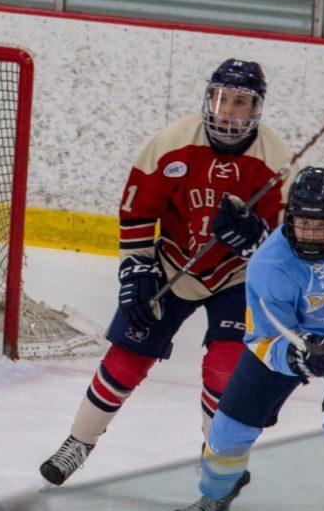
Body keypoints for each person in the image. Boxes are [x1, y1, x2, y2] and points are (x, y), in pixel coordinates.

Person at [39, 59, 293, 486]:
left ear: (257, 109)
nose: (228, 111)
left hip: (238, 276)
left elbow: (286, 249)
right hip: (173, 262)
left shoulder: (277, 162)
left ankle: (217, 462)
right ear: (208, 98)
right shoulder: (172, 143)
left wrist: (255, 241)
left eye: (241, 102)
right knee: (128, 355)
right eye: (221, 98)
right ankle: (77, 443)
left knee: (225, 370)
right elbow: (139, 212)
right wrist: (137, 271)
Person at [173, 166, 324, 511]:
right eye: (304, 223)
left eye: (322, 225)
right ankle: (213, 497)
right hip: (292, 339)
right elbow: (263, 338)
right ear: (290, 218)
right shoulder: (270, 263)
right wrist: (298, 358)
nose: (311, 235)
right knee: (227, 433)